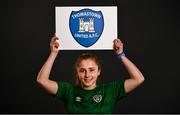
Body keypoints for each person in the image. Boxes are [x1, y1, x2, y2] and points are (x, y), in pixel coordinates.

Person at [36, 34, 145, 114]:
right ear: (77, 72)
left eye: (91, 70)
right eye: (82, 70)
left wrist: (121, 54)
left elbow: (138, 79)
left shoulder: (110, 91)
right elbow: (42, 80)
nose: (87, 75)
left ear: (99, 71)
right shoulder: (68, 91)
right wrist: (53, 53)